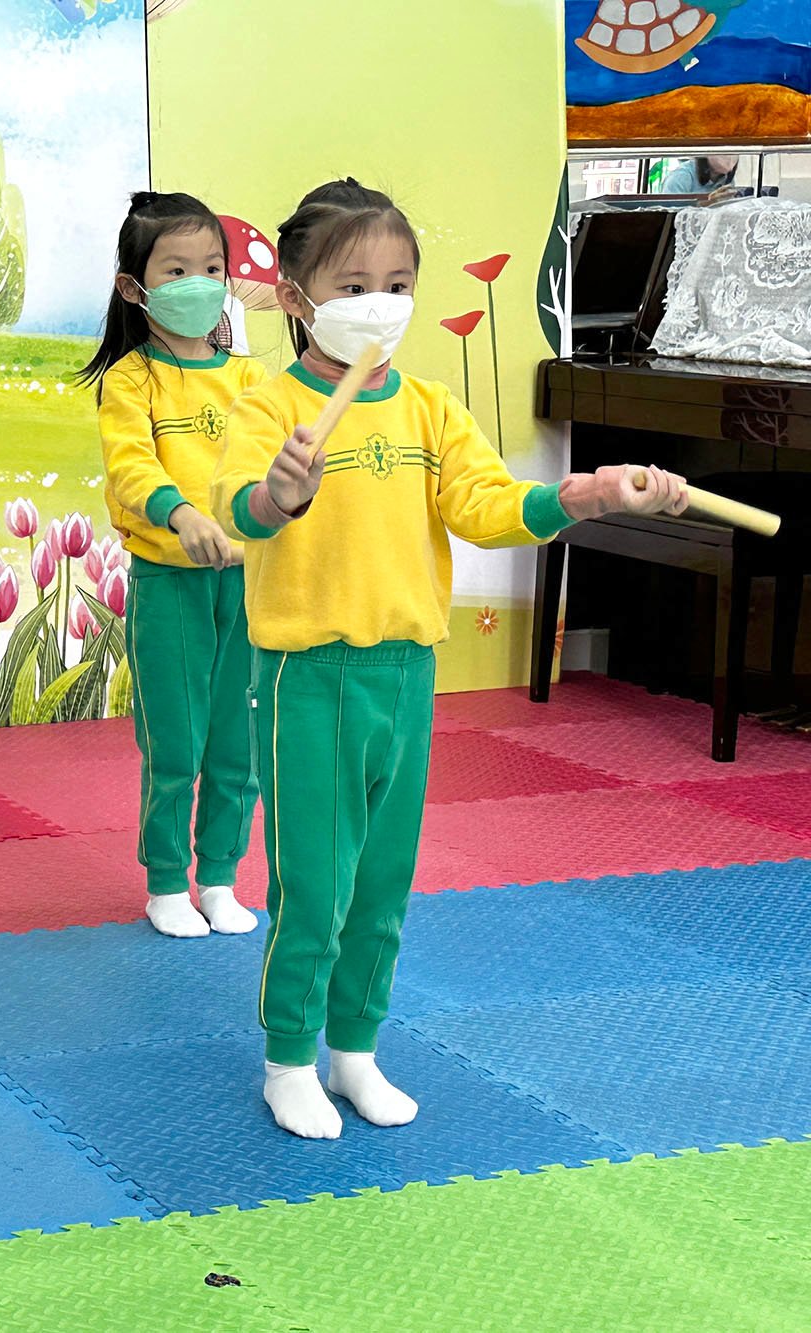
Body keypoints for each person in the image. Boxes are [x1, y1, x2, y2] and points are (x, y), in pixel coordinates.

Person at [211, 178, 688, 1140]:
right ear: (297, 297)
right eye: (353, 286)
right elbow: (239, 513)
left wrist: (584, 496)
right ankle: (289, 1059)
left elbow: (488, 506)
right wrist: (279, 494)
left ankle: (355, 1050)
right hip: (309, 678)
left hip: (406, 674)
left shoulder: (428, 410)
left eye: (397, 284)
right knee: (316, 885)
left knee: (384, 884)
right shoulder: (270, 408)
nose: (380, 304)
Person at [78, 191, 265, 940]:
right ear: (135, 287)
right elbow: (130, 466)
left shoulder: (250, 380)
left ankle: (218, 876)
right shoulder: (131, 380)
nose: (199, 283)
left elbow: (269, 466)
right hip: (170, 582)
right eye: (177, 270)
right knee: (176, 743)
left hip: (249, 583)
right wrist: (182, 515)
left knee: (238, 744)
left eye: (212, 268)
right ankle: (165, 882)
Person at [654, 155, 737, 196]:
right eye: (723, 150)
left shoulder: (726, 178)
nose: (730, 157)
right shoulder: (681, 177)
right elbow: (669, 216)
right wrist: (709, 203)